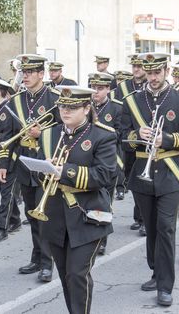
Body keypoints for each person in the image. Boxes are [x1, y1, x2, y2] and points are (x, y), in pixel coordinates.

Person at [121, 52, 179, 307]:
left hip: (171, 172)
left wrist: (165, 139)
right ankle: (156, 271)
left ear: (166, 70)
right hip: (142, 174)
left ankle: (165, 286)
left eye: (157, 72)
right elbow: (121, 135)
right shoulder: (132, 100)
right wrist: (137, 134)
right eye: (149, 73)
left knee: (166, 228)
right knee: (152, 227)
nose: (153, 78)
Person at [34, 85, 116, 314]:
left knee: (77, 274)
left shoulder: (102, 135)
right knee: (65, 274)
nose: (65, 111)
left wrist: (65, 172)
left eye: (72, 107)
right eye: (62, 106)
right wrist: (42, 169)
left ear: (87, 108)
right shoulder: (49, 133)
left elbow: (106, 174)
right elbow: (40, 167)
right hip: (55, 214)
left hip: (87, 214)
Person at [0, 54, 61, 283]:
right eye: (23, 72)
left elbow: (66, 130)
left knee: (45, 215)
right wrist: (3, 163)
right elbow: (7, 135)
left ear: (40, 74)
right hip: (25, 162)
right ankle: (37, 257)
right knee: (31, 213)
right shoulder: (16, 101)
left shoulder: (55, 98)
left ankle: (47, 262)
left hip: (46, 162)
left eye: (29, 72)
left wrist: (41, 134)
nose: (24, 76)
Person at [88, 72, 123, 255]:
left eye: (100, 88)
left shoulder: (116, 108)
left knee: (105, 202)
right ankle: (90, 236)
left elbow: (120, 135)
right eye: (93, 88)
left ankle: (102, 240)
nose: (96, 92)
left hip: (108, 162)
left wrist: (99, 131)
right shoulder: (85, 106)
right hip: (88, 162)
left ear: (108, 89)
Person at [113, 54, 147, 235]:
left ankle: (143, 219)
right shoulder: (123, 87)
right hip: (130, 140)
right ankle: (138, 215)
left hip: (148, 141)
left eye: (140, 66)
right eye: (134, 66)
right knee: (133, 180)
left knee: (146, 181)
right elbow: (119, 113)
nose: (136, 70)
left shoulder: (150, 85)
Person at [0, 76, 21, 243]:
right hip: (0, 157)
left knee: (6, 194)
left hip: (8, 159)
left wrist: (3, 164)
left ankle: (2, 228)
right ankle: (15, 219)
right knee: (5, 191)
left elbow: (6, 140)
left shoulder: (5, 112)